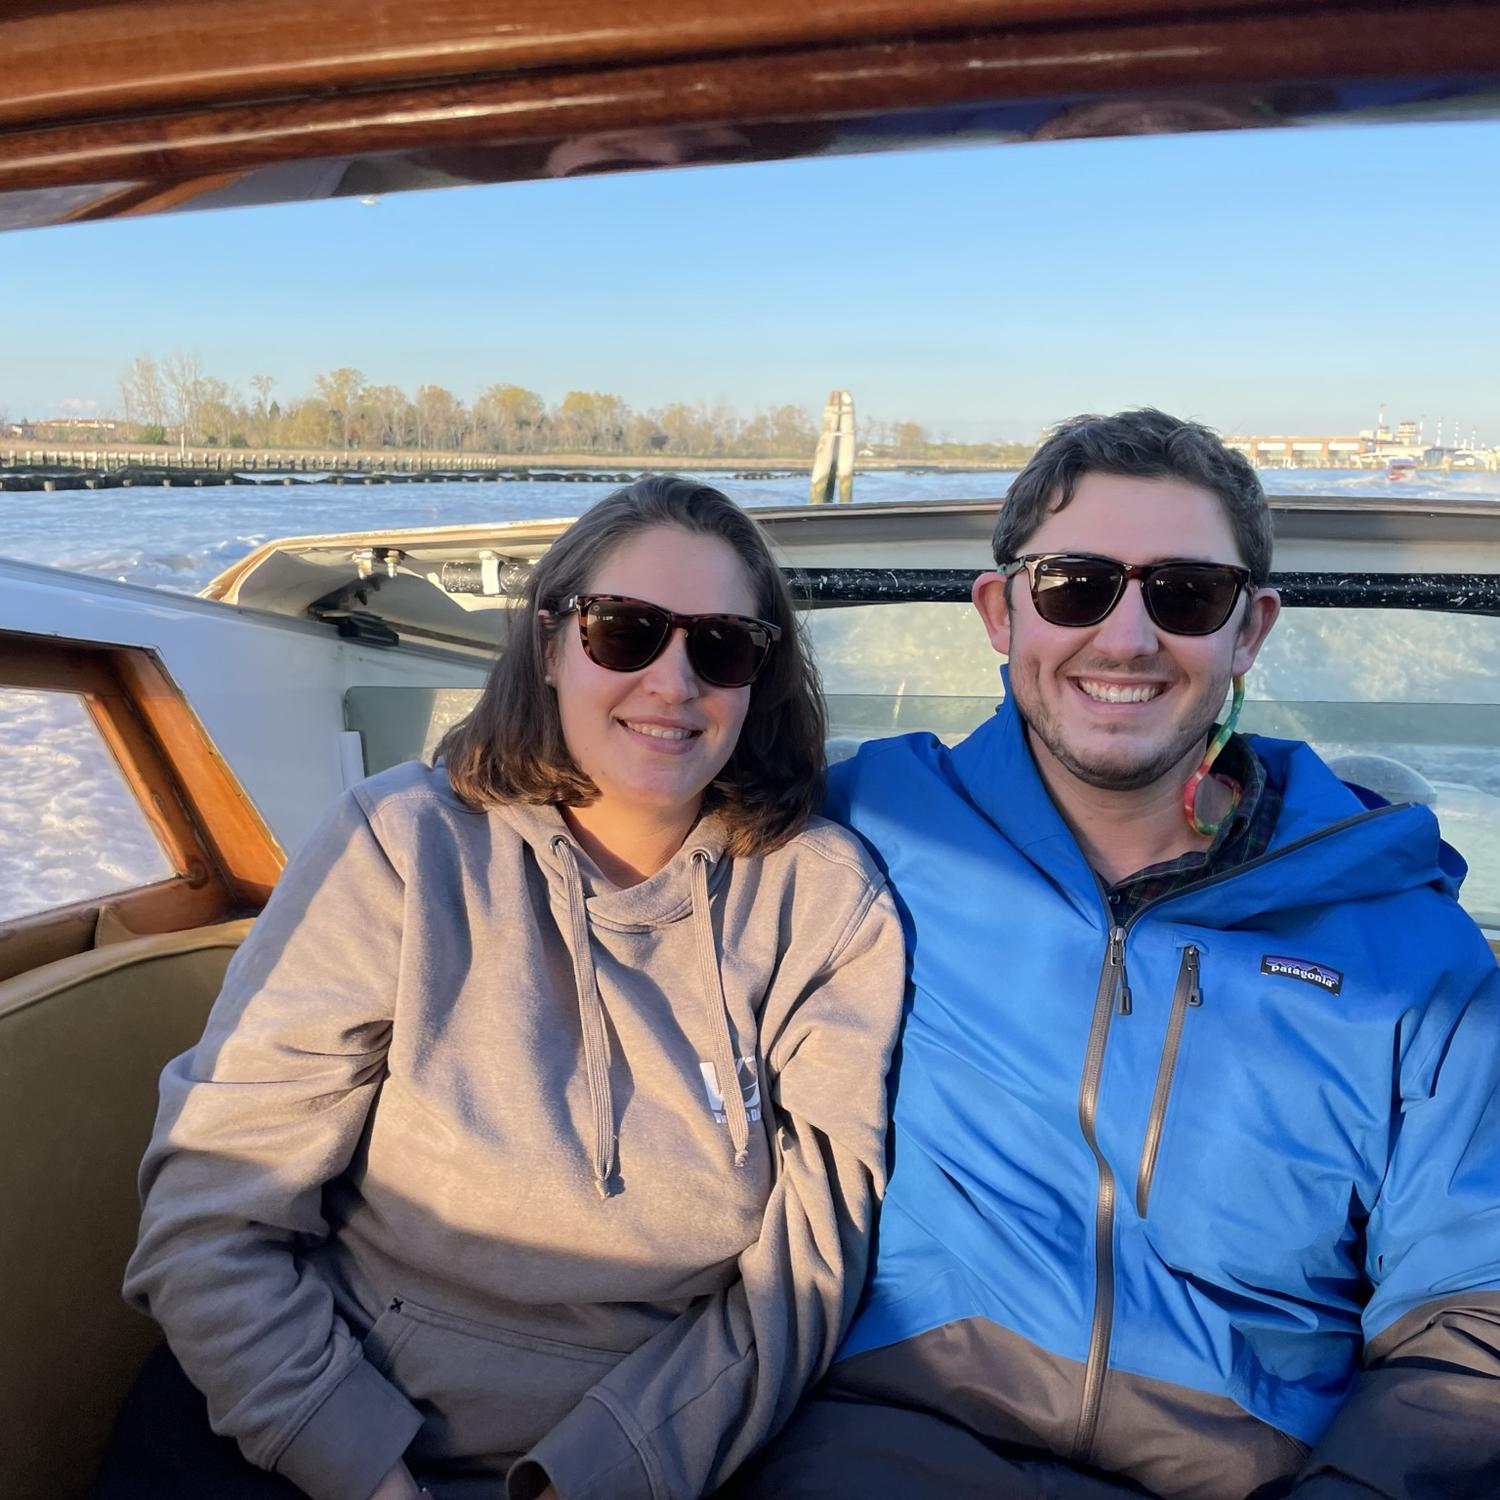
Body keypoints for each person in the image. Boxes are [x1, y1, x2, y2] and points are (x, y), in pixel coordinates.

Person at [739, 411, 1500, 1500]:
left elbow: (1472, 1305)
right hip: (887, 1440)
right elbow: (610, 825)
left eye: (1185, 594)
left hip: (1255, 1471)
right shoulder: (863, 832)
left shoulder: (1403, 944)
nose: (1129, 638)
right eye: (1075, 585)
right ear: (1002, 613)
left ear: (1250, 630)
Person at [102, 477, 904, 1500]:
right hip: (306, 1426)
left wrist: (594, 1477)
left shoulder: (825, 903)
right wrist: (358, 1467)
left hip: (641, 1461)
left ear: (760, 678)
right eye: (626, 631)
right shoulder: (401, 847)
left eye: (721, 646)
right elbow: (212, 1212)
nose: (673, 681)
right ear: (551, 642)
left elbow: (803, 1275)